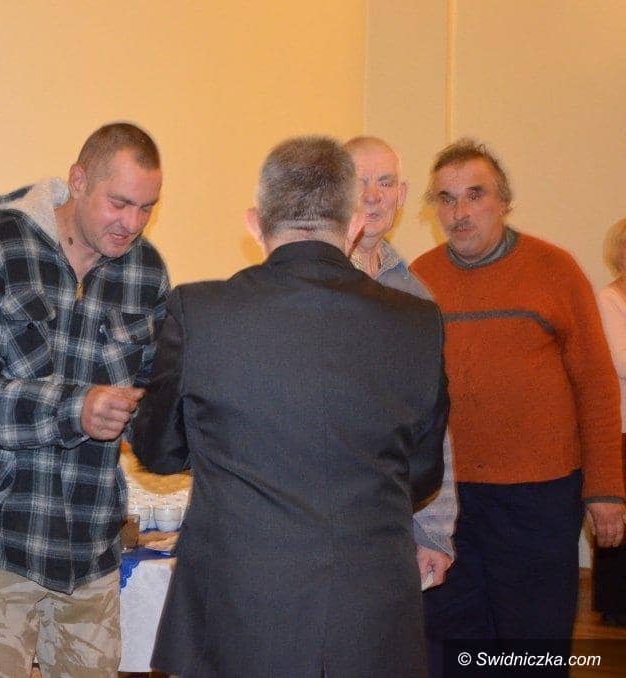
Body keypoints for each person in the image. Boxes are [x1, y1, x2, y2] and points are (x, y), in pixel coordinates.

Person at [133, 135, 448, 677]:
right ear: (354, 224)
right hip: (371, 609)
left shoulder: (200, 311)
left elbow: (158, 452)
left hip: (239, 608)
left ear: (254, 224)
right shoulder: (416, 321)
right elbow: (421, 476)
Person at [0, 122, 169, 677]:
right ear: (78, 180)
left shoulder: (147, 272)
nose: (132, 223)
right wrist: (74, 409)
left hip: (91, 548)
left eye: (147, 208)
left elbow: (154, 400)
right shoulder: (2, 251)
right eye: (119, 203)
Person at [411, 139, 625, 672]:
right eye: (445, 199)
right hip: (447, 498)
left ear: (504, 201)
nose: (460, 212)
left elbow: (597, 385)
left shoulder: (555, 270)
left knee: (533, 641)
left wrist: (605, 490)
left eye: (475, 195)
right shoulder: (418, 279)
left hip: (539, 497)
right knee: (452, 639)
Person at [344, 136, 458, 587]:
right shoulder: (309, 286)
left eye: (386, 182)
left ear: (402, 195)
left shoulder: (416, 295)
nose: (373, 195)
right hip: (323, 523)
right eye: (360, 182)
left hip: (393, 523)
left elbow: (433, 425)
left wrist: (434, 532)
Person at [594, 216, 626, 626]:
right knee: (616, 518)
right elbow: (621, 361)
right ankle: (616, 605)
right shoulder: (609, 299)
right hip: (620, 427)